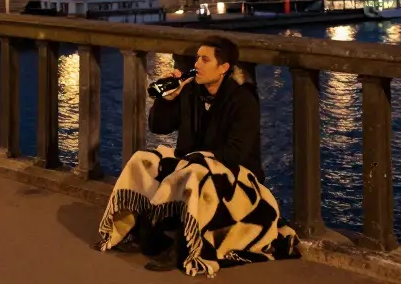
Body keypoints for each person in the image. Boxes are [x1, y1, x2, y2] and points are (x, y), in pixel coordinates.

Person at [92, 36, 299, 276]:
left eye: (204, 59)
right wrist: (168, 99)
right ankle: (132, 228)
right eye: (197, 58)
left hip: (236, 178)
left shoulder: (243, 100)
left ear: (223, 68)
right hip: (193, 165)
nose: (196, 64)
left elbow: (236, 154)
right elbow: (159, 127)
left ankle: (184, 246)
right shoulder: (190, 91)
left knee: (195, 171)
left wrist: (196, 159)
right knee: (143, 159)